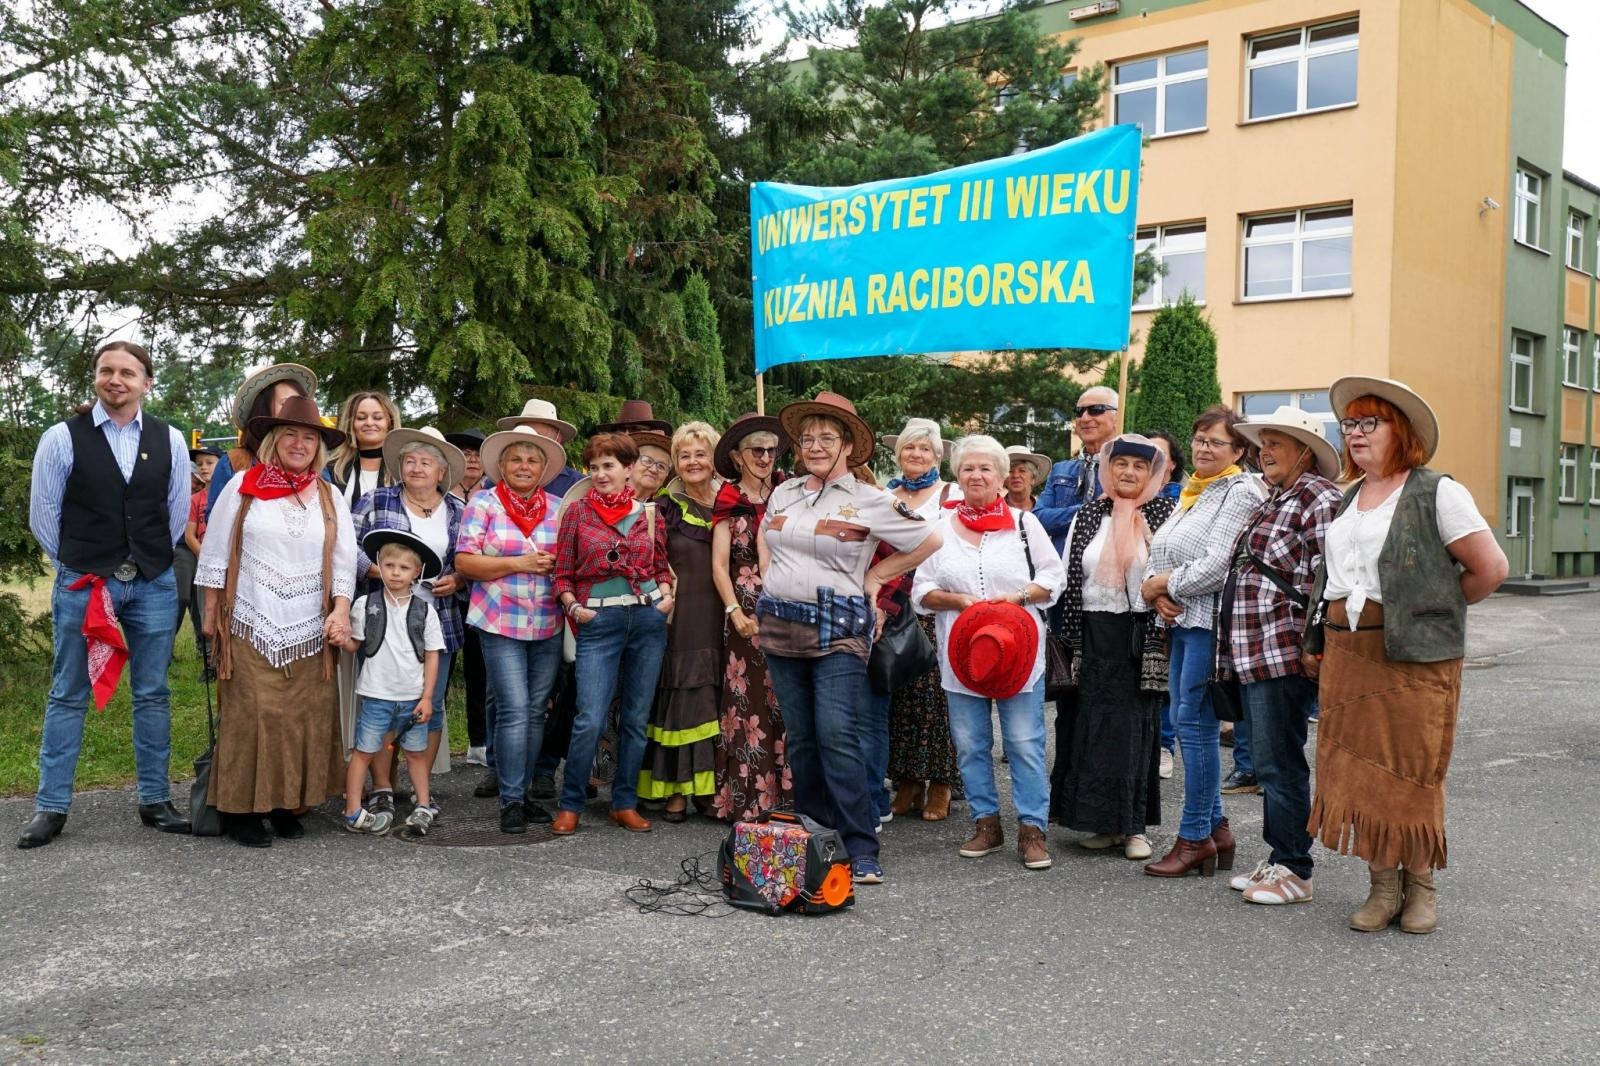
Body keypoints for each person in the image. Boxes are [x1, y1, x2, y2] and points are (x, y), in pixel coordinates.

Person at [1304, 377, 1507, 934]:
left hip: (1414, 656)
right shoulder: (1348, 497)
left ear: (1403, 432)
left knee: (1412, 771)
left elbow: (1490, 570)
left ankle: (1421, 887)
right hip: (1349, 650)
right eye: (1350, 424)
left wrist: (1425, 617)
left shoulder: (1436, 491)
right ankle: (1382, 886)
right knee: (1359, 772)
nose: (1356, 433)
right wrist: (1316, 642)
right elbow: (1332, 581)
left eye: (1371, 422)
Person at [757, 392, 943, 884]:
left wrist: (878, 577)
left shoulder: (869, 499)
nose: (815, 446)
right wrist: (770, 580)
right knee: (800, 737)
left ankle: (860, 844)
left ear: (847, 446)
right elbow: (769, 542)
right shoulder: (784, 492)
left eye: (827, 438)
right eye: (808, 437)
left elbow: (929, 540)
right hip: (780, 623)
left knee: (837, 732)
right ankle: (816, 834)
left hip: (840, 626)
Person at [19, 340, 194, 849]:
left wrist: (145, 559)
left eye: (127, 373)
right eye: (106, 371)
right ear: (95, 377)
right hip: (84, 582)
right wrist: (81, 563)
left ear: (146, 382)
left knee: (153, 693)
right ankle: (51, 807)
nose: (115, 380)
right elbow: (44, 515)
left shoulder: (171, 440)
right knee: (67, 693)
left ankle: (155, 799)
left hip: (154, 582)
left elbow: (174, 512)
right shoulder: (61, 438)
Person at [197, 395, 355, 848]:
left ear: (319, 448)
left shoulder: (328, 495)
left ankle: (287, 803)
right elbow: (214, 551)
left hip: (310, 624)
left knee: (302, 715)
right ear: (273, 440)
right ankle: (242, 810)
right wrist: (211, 613)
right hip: (249, 615)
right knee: (252, 713)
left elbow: (344, 561)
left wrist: (340, 611)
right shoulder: (243, 485)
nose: (300, 443)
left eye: (309, 437)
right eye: (291, 434)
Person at [912, 435, 1065, 870]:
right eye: (967, 469)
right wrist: (959, 602)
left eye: (985, 469)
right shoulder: (938, 528)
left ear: (1001, 477)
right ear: (956, 476)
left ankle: (1032, 828)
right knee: (971, 744)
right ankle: (986, 823)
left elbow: (1054, 578)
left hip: (1019, 655)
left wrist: (1015, 598)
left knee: (1024, 742)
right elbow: (920, 590)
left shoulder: (1022, 523)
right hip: (963, 657)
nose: (976, 475)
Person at [1216, 406, 1343, 904]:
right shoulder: (1276, 496)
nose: (1264, 450)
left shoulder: (1318, 495)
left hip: (1282, 651)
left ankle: (1295, 867)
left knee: (1279, 762)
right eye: (1263, 441)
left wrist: (1316, 646)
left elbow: (1327, 576)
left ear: (1305, 453)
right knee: (1270, 761)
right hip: (1254, 651)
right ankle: (1278, 858)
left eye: (1278, 442)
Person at [1140, 406, 1265, 878]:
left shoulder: (1239, 491)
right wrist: (1155, 588)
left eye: (1216, 442)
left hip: (1211, 624)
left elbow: (1218, 565)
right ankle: (1216, 830)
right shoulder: (1194, 490)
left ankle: (1195, 837)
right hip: (1183, 621)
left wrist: (1162, 587)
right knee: (1186, 721)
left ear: (1238, 451)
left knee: (1194, 726)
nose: (1204, 448)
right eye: (1198, 439)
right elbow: (1161, 552)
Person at [1052, 435, 1176, 861]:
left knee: (1133, 729)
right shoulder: (1088, 514)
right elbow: (1068, 576)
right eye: (1120, 463)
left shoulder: (1165, 515)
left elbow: (1172, 574)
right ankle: (1100, 823)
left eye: (1139, 467)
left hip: (1139, 635)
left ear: (1153, 473)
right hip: (1090, 632)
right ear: (1107, 469)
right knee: (1090, 725)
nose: (1128, 472)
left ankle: (1134, 827)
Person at [553, 433, 674, 835]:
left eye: (609, 466)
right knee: (589, 716)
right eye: (594, 467)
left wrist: (667, 598)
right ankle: (570, 803)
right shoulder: (576, 513)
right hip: (598, 623)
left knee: (636, 719)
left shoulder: (650, 514)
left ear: (628, 469)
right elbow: (562, 574)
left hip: (647, 621)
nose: (600, 474)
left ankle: (624, 802)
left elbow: (660, 569)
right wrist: (574, 608)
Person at [454, 425, 568, 833]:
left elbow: (569, 562)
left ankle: (521, 793)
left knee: (536, 711)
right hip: (498, 620)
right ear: (501, 465)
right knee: (515, 709)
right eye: (516, 458)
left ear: (544, 468)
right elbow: (466, 563)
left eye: (532, 459)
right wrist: (521, 563)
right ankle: (512, 800)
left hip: (548, 621)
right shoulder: (483, 504)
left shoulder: (558, 508)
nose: (524, 465)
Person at [349, 426, 467, 814]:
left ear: (441, 472)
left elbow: (468, 556)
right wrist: (379, 573)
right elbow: (346, 547)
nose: (417, 468)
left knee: (427, 705)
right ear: (400, 465)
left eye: (426, 462)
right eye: (410, 460)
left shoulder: (457, 509)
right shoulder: (376, 499)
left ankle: (421, 790)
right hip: (382, 616)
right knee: (382, 701)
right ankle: (382, 786)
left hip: (438, 618)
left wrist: (458, 578)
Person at [872, 418, 962, 823]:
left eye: (925, 449)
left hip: (934, 602)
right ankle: (908, 781)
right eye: (909, 448)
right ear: (898, 453)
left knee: (938, 699)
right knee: (902, 696)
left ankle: (941, 782)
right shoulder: (884, 493)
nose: (916, 454)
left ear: (938, 456)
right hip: (893, 603)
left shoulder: (950, 493)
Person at [638, 422, 724, 820]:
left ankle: (712, 789)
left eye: (700, 453)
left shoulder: (733, 503)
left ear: (715, 457)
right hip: (680, 617)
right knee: (682, 694)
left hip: (726, 617)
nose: (693, 462)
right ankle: (676, 788)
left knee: (719, 698)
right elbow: (650, 562)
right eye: (684, 455)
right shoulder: (665, 509)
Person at [709, 413, 790, 823]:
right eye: (756, 450)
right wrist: (734, 612)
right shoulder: (728, 500)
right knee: (750, 703)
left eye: (770, 449)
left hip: (788, 607)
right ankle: (750, 799)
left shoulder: (788, 492)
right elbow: (719, 566)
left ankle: (788, 800)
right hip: (744, 614)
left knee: (786, 701)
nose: (764, 456)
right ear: (739, 457)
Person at [339, 529, 446, 836]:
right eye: (389, 566)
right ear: (379, 566)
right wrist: (341, 636)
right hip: (376, 694)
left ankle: (423, 805)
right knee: (365, 750)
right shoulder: (365, 605)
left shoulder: (425, 611)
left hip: (413, 696)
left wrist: (427, 697)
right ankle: (353, 810)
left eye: (404, 568)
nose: (396, 573)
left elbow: (432, 655)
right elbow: (354, 645)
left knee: (415, 751)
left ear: (417, 573)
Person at [206, 363, 317, 520]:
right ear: (263, 409)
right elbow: (216, 522)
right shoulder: (234, 463)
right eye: (286, 403)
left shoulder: (315, 465)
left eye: (298, 403)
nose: (294, 410)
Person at [444, 428, 490, 767]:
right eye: (464, 453)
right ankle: (437, 744)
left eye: (477, 453)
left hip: (481, 593)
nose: (471, 460)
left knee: (480, 669)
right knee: (439, 672)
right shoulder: (439, 494)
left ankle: (480, 741)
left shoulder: (493, 495)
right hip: (445, 594)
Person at [1143, 428, 1187, 779]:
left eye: (1160, 456)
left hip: (1164, 603)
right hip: (1127, 606)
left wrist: (1159, 591)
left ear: (1172, 465)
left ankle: (1164, 745)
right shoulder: (1121, 498)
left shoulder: (1180, 504)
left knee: (1164, 679)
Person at [1034, 385, 1121, 555]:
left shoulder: (1129, 472)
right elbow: (1038, 519)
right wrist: (1093, 509)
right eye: (1079, 412)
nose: (1085, 418)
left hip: (1107, 569)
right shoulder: (1061, 470)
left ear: (1117, 416)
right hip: (1062, 571)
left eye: (1096, 410)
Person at [181, 446, 224, 674]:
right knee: (203, 610)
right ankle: (209, 661)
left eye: (209, 462)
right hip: (205, 563)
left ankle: (226, 657)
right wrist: (206, 559)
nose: (204, 468)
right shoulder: (196, 499)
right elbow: (189, 535)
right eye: (200, 464)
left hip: (228, 563)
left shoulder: (230, 493)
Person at [324, 390, 401, 508]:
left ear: (390, 423)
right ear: (351, 424)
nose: (369, 423)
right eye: (361, 418)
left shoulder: (403, 468)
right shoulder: (331, 470)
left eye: (377, 417)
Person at [498, 399, 582, 496]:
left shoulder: (576, 484)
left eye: (537, 436)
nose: (529, 443)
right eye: (522, 434)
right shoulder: (495, 480)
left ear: (557, 439)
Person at [1002, 445, 1050, 512]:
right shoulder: (995, 511)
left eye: (1022, 471)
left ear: (1033, 478)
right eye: (1010, 471)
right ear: (1004, 479)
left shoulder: (1043, 511)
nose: (1016, 475)